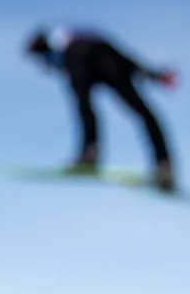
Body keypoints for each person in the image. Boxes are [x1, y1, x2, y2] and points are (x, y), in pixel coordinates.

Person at [25, 26, 178, 191]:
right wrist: (152, 74)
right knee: (143, 113)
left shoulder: (73, 49)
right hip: (110, 64)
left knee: (84, 106)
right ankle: (164, 166)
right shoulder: (79, 41)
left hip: (96, 61)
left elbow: (121, 58)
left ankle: (90, 156)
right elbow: (124, 57)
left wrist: (153, 74)